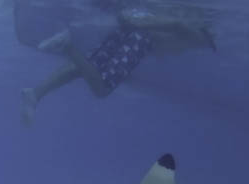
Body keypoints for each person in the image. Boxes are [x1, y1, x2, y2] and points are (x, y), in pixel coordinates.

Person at [20, 8, 217, 126]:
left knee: (83, 68)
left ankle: (36, 94)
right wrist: (141, 26)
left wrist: (134, 21)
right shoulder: (200, 37)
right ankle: (67, 46)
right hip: (142, 35)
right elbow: (176, 24)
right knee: (102, 88)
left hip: (136, 27)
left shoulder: (190, 31)